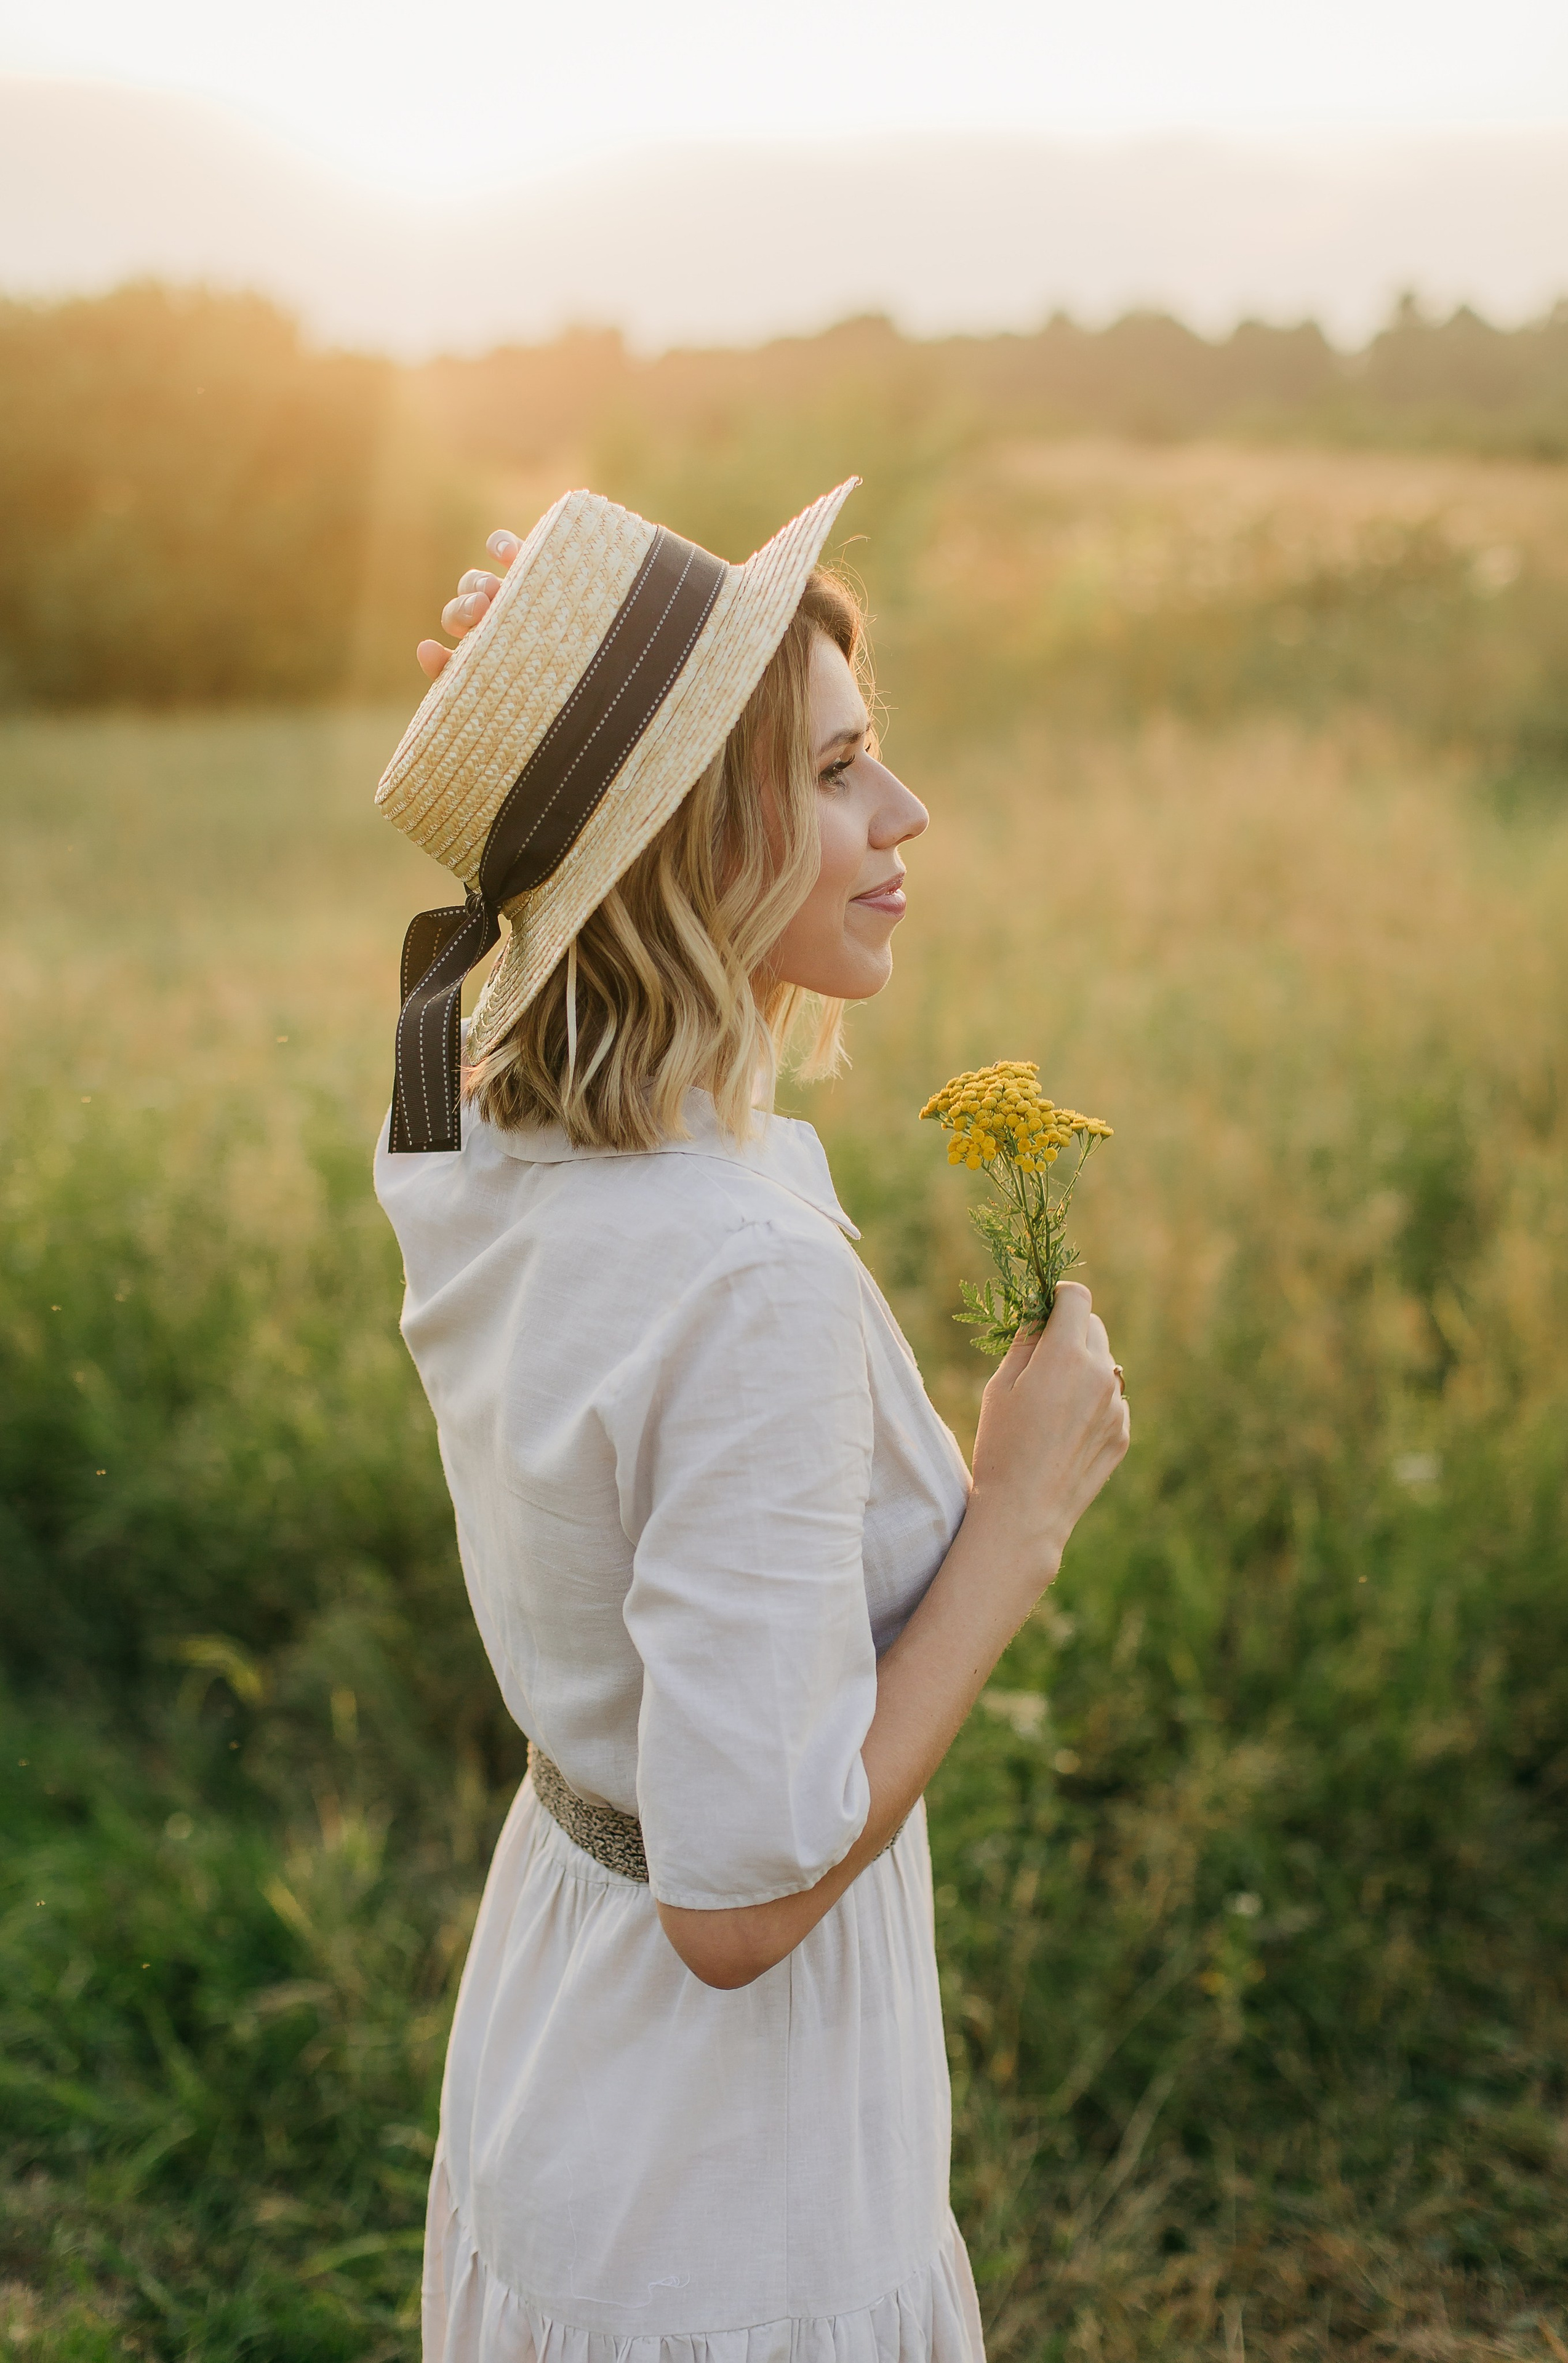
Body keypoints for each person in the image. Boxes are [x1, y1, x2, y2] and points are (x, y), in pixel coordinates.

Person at [373, 481, 1129, 2363]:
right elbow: (738, 1904)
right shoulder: (741, 1277)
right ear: (692, 838)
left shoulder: (475, 1135)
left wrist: (547, 701)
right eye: (838, 772)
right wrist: (1016, 1516)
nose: (905, 816)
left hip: (564, 2024)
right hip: (722, 2170)